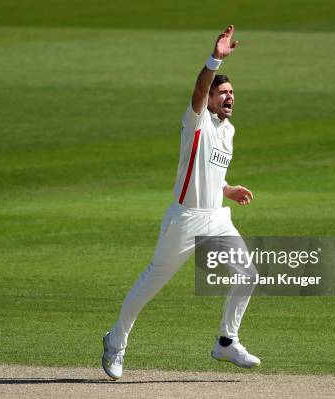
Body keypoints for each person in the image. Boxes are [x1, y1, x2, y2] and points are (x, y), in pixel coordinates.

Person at [102, 25, 260, 380]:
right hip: (185, 220)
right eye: (224, 93)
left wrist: (228, 189)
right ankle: (115, 341)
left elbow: (208, 173)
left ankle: (226, 341)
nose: (230, 97)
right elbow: (200, 88)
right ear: (211, 99)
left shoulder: (228, 131)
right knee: (150, 285)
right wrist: (215, 59)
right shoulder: (197, 120)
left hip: (217, 218)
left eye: (233, 92)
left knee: (248, 275)